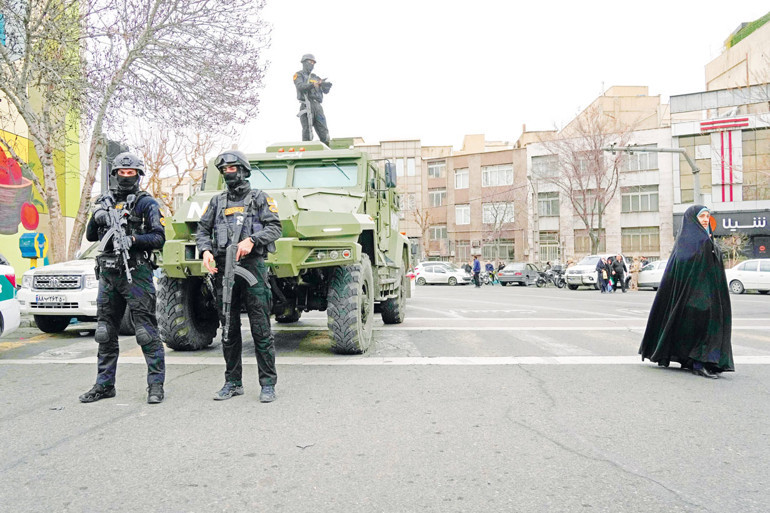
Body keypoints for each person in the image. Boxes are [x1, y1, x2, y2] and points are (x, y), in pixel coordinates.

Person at [79, 152, 166, 404]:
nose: (126, 177)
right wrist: (97, 217)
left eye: (131, 173)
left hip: (135, 273)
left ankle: (156, 386)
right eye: (121, 173)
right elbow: (92, 237)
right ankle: (104, 385)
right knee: (105, 332)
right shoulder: (103, 201)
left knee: (146, 332)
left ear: (138, 175)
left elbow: (159, 237)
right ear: (114, 174)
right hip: (108, 274)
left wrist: (134, 239)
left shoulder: (146, 203)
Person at [196, 150, 283, 401]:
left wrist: (252, 241)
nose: (228, 173)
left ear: (243, 170)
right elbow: (202, 230)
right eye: (224, 170)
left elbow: (275, 227)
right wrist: (205, 252)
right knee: (229, 329)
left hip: (252, 268)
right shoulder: (217, 202)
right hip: (225, 269)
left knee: (260, 328)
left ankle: (267, 384)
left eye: (233, 168)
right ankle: (233, 382)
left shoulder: (259, 198)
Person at [639, 205, 733, 378]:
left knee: (704, 327)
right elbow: (686, 267)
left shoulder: (704, 238)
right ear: (693, 219)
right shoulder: (690, 240)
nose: (705, 219)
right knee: (701, 327)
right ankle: (699, 363)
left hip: (708, 293)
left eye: (707, 216)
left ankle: (702, 361)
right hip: (695, 295)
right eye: (702, 216)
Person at [293, 53, 332, 145]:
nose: (312, 64)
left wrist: (325, 86)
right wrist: (312, 85)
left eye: (313, 63)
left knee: (324, 131)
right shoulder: (298, 75)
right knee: (308, 132)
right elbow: (300, 86)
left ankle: (327, 151)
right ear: (304, 62)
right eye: (310, 62)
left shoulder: (316, 77)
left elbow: (324, 91)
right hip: (306, 105)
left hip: (317, 106)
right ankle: (306, 152)